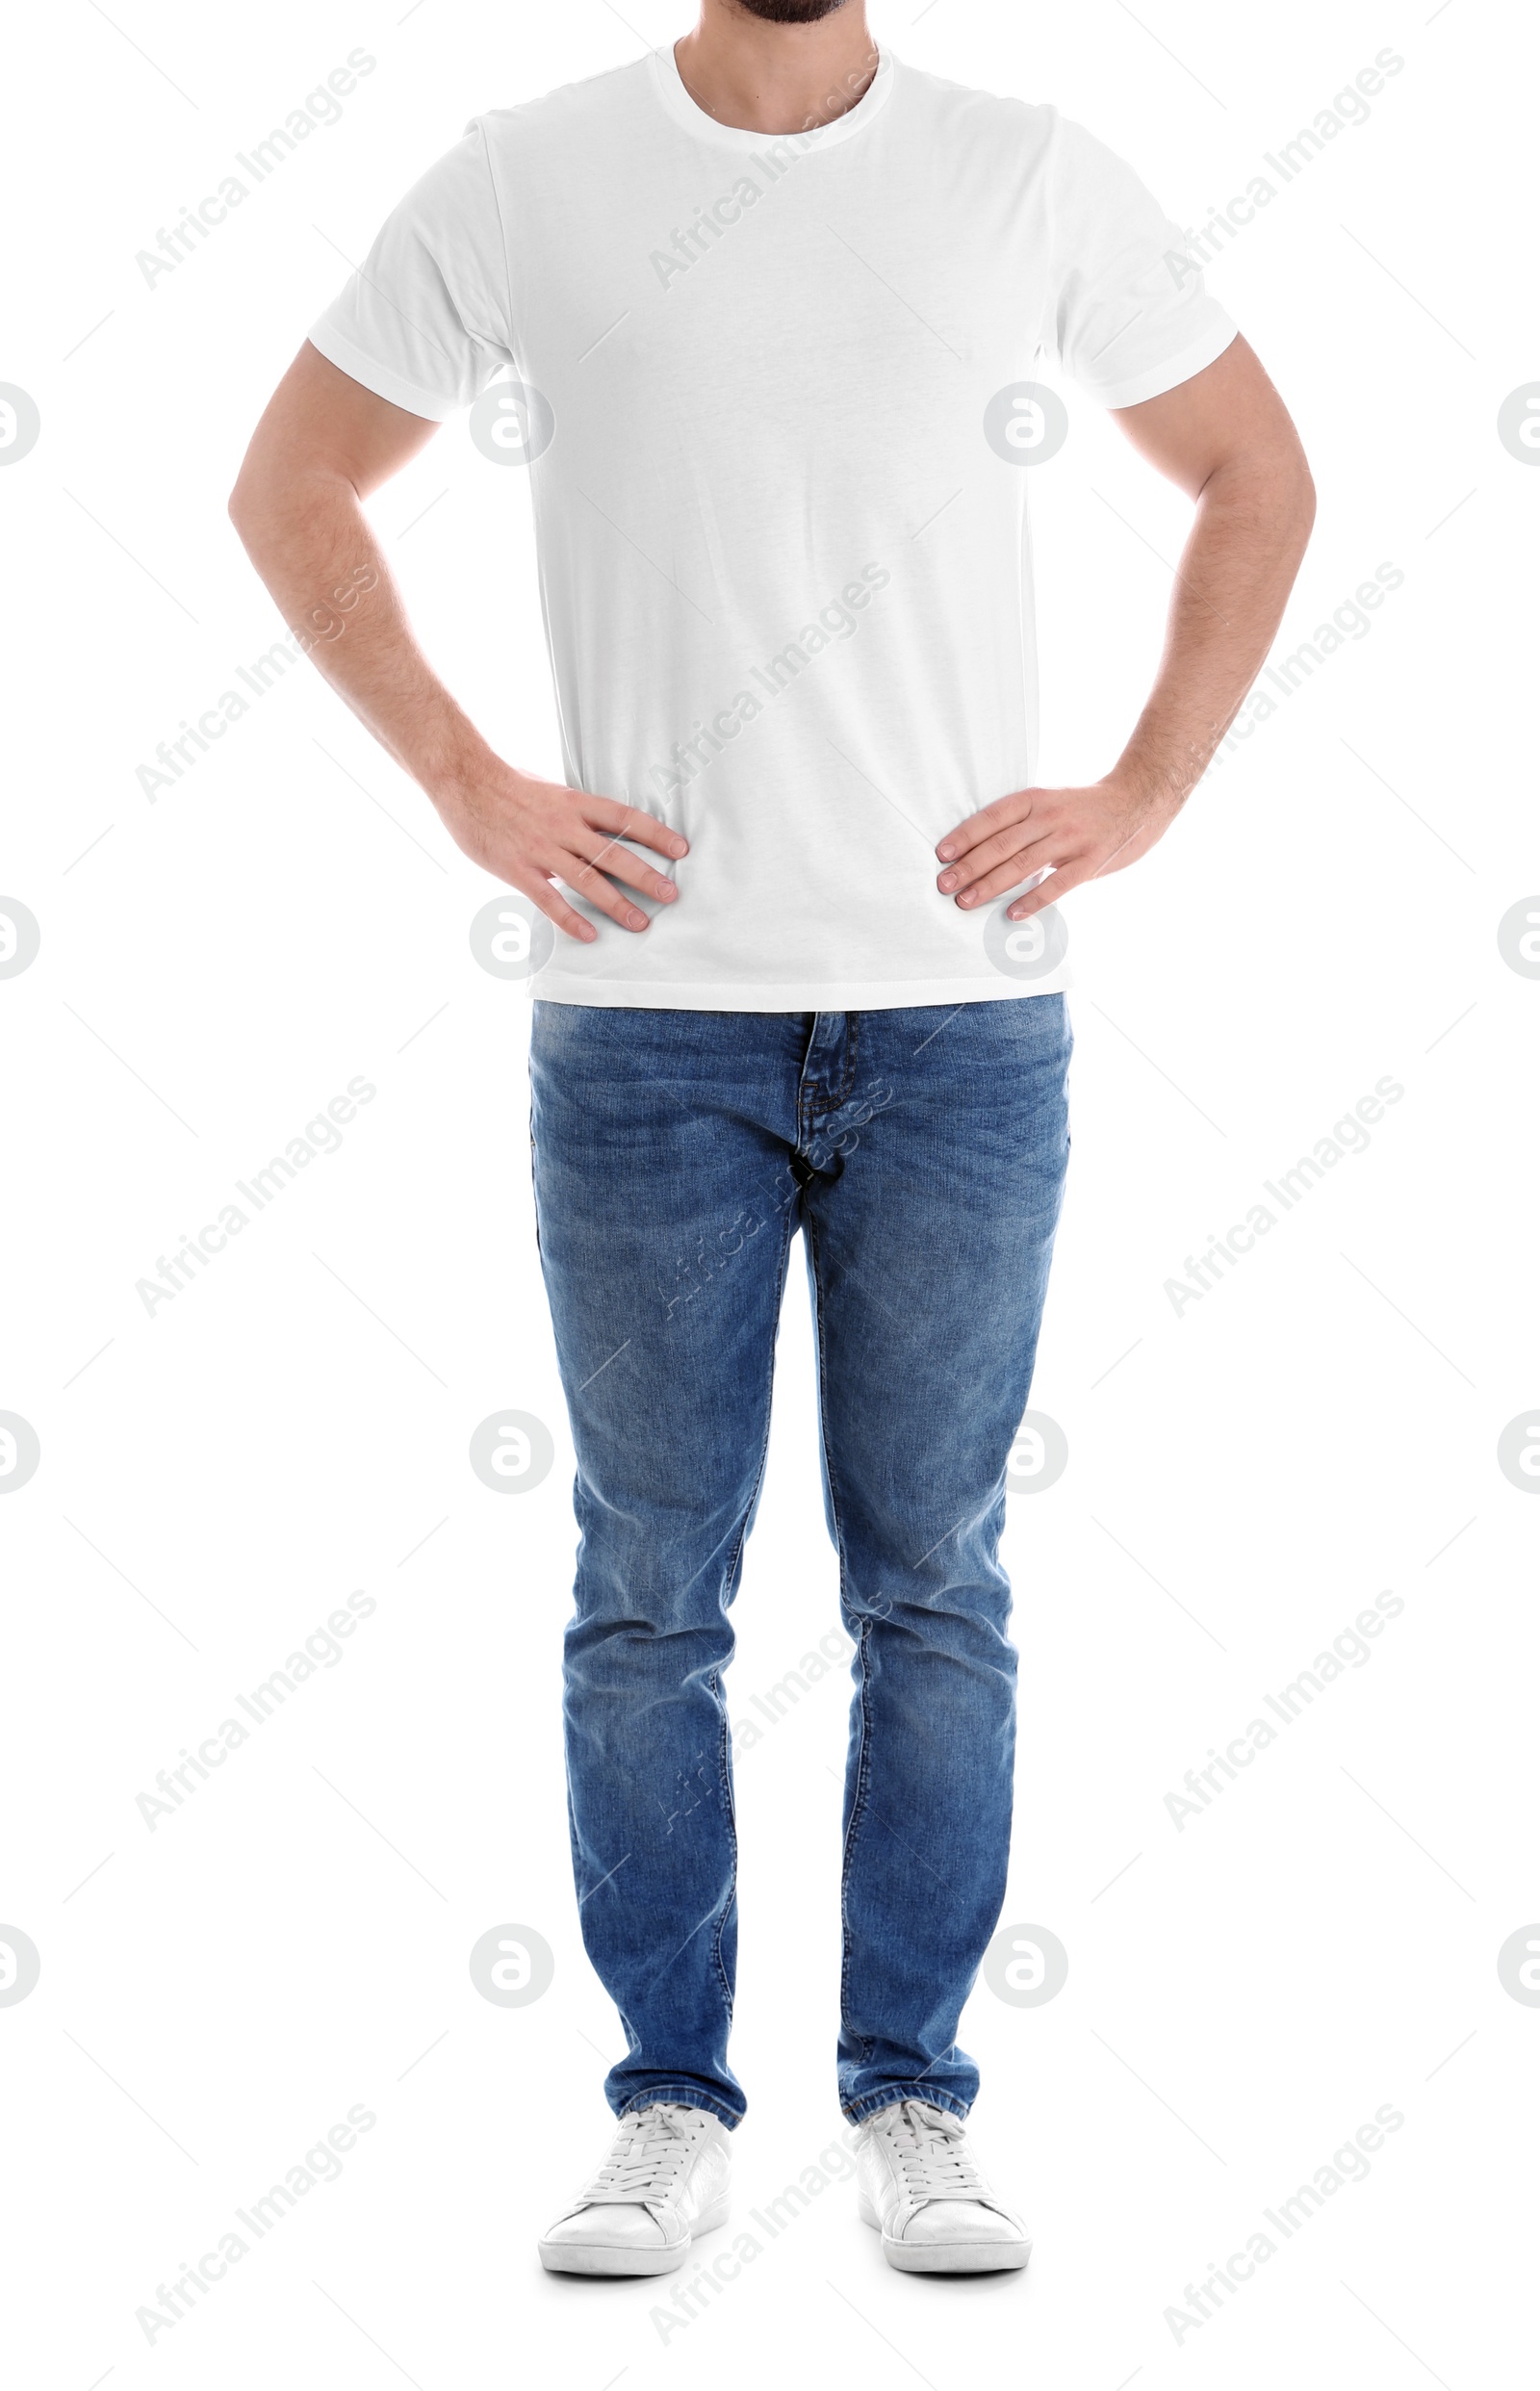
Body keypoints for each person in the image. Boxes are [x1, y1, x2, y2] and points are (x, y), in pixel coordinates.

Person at [230, 0, 1314, 2279]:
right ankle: (663, 2103)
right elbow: (290, 482)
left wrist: (1137, 795)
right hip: (641, 1028)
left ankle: (913, 2095)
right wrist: (465, 781)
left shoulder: (1024, 167)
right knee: (646, 1597)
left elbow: (1255, 473)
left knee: (934, 1587)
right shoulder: (527, 170)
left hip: (955, 1022)